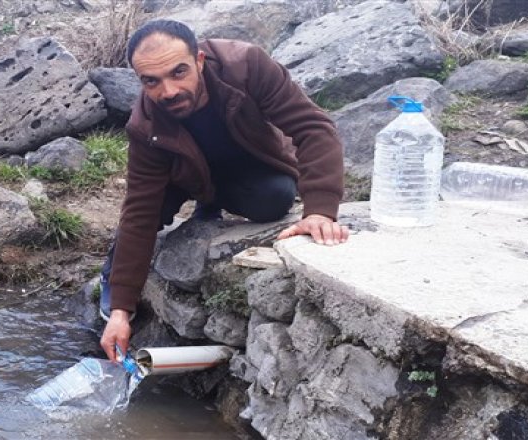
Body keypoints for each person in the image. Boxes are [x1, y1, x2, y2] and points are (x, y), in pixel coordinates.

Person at [98, 19, 350, 363]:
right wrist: (121, 310)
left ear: (199, 60)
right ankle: (111, 277)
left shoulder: (247, 65)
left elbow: (313, 128)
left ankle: (211, 201)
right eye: (151, 81)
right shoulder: (145, 124)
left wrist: (320, 210)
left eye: (178, 72)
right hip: (182, 175)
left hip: (245, 163)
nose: (168, 91)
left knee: (275, 198)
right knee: (150, 212)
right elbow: (138, 212)